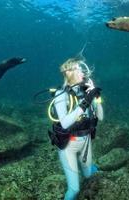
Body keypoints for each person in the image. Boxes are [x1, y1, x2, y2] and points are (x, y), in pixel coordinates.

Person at [48, 58, 103, 200]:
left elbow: (101, 117)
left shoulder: (86, 92)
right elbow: (65, 123)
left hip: (86, 141)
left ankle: (91, 168)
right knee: (74, 189)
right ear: (68, 73)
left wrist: (96, 98)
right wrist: (86, 101)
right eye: (78, 68)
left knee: (89, 175)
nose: (82, 71)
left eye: (81, 68)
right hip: (68, 145)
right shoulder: (62, 96)